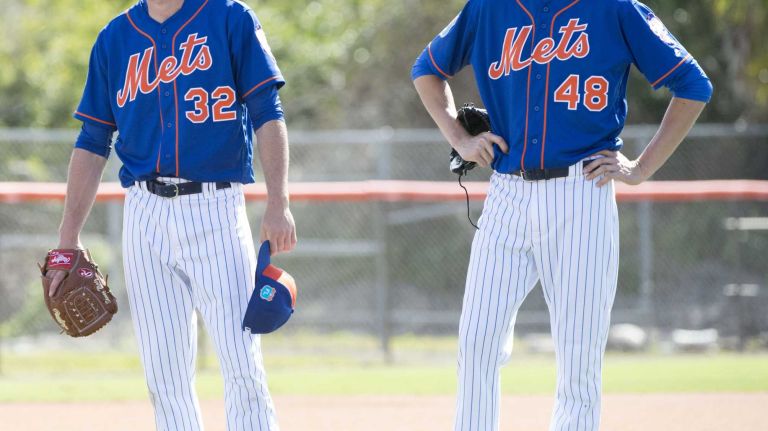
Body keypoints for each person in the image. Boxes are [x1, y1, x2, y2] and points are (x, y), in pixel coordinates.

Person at [412, 1, 712, 430]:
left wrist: (641, 167)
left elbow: (693, 84)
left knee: (579, 361)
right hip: (506, 193)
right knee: (476, 342)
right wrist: (459, 138)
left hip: (582, 192)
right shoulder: (489, 8)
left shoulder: (615, 9)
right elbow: (427, 69)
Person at [44, 0, 296, 429]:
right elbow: (92, 139)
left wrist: (278, 202)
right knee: (164, 375)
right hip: (143, 213)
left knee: (241, 363)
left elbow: (267, 113)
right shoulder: (114, 38)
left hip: (214, 207)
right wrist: (68, 240)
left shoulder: (230, 18)